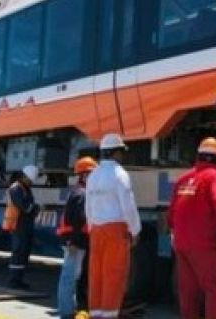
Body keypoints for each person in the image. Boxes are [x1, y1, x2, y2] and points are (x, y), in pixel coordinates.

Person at [167, 137, 216, 319]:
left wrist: (176, 235)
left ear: (198, 156)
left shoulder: (184, 179)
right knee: (215, 288)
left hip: (182, 244)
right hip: (205, 244)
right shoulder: (215, 176)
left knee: (188, 292)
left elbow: (171, 213)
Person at [86, 133, 142, 319]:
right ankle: (109, 314)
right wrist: (135, 230)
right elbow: (128, 205)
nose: (122, 155)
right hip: (115, 230)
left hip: (96, 229)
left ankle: (96, 313)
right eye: (121, 152)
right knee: (114, 274)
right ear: (115, 153)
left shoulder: (93, 175)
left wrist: (91, 226)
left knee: (96, 274)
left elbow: (88, 206)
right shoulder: (120, 174)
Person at [56, 156, 98, 319]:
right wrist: (73, 241)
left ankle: (69, 308)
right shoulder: (82, 194)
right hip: (75, 241)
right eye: (92, 174)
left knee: (73, 275)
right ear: (84, 175)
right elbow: (77, 220)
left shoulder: (78, 192)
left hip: (74, 240)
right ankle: (66, 311)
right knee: (70, 276)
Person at [3, 164, 41, 290]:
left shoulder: (24, 188)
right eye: (30, 180)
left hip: (25, 225)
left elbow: (29, 206)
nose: (31, 183)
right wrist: (35, 208)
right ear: (25, 177)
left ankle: (19, 279)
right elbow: (26, 207)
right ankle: (14, 280)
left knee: (24, 252)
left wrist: (34, 208)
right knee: (19, 252)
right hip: (18, 225)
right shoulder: (16, 189)